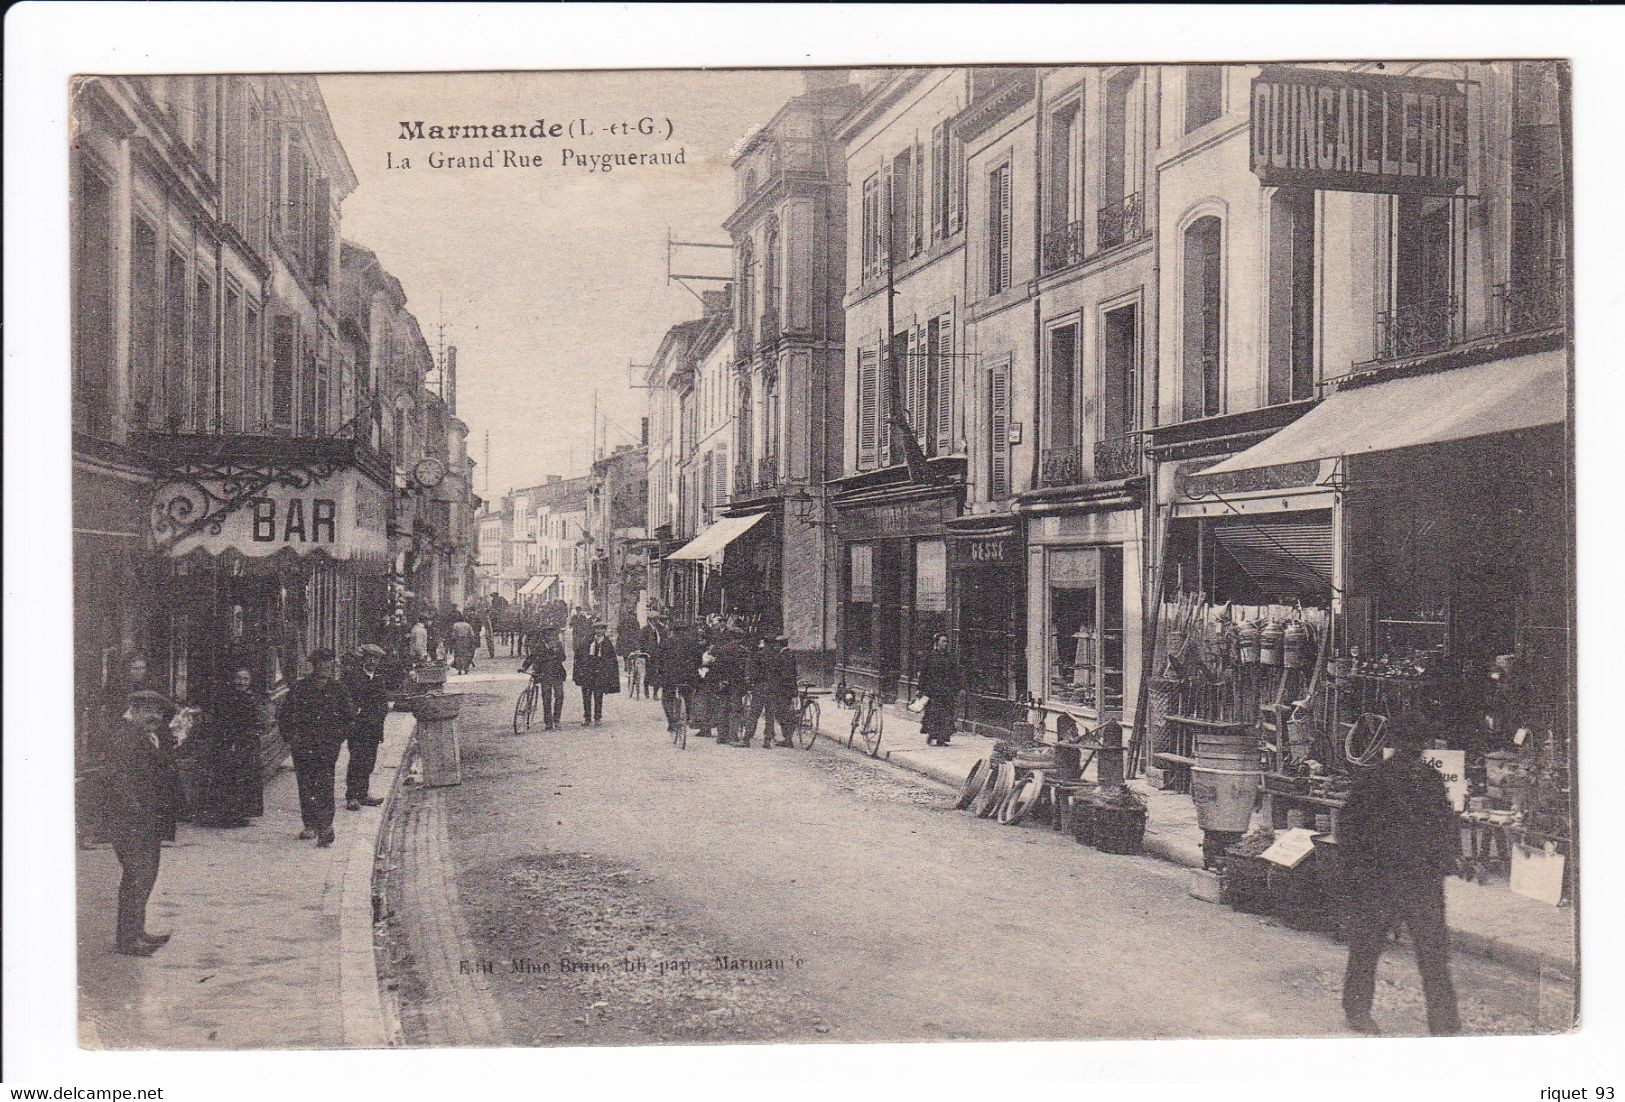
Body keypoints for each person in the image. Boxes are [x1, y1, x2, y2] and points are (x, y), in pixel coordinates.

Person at [1338, 723, 1463, 1037]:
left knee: (1375, 948)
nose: (1413, 749)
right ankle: (1442, 1025)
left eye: (1415, 743)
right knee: (1423, 953)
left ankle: (1361, 1010)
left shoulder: (1383, 778)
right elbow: (1352, 830)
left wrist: (1355, 875)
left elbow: (1444, 826)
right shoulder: (1378, 780)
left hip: (1406, 879)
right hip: (1393, 878)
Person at [102, 689, 179, 955]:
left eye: (158, 712)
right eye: (149, 712)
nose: (155, 717)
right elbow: (118, 778)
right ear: (133, 711)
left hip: (148, 817)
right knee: (137, 875)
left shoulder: (148, 736)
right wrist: (133, 809)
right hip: (131, 819)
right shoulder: (124, 738)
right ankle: (128, 939)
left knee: (145, 875)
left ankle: (137, 931)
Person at [278, 649, 354, 847]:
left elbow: (348, 718)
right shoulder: (300, 688)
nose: (326, 668)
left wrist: (337, 737)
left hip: (327, 747)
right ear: (314, 665)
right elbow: (285, 716)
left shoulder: (339, 690)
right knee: (306, 783)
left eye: (330, 665)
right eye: (322, 664)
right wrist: (292, 739)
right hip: (303, 746)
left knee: (325, 784)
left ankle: (326, 825)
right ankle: (310, 824)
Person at [197, 668, 263, 826]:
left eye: (245, 679)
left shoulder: (252, 698)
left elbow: (257, 721)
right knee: (228, 777)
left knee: (246, 777)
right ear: (233, 680)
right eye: (239, 678)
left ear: (250, 681)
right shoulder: (226, 698)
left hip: (247, 743)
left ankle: (243, 813)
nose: (242, 682)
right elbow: (222, 721)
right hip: (229, 742)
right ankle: (227, 815)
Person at [344, 645, 391, 810]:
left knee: (369, 761)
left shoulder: (379, 678)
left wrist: (380, 715)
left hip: (374, 726)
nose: (373, 661)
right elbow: (348, 700)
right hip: (358, 727)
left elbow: (383, 702)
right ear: (364, 659)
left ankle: (363, 794)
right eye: (370, 658)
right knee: (357, 759)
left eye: (376, 659)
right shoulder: (354, 677)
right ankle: (352, 796)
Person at [746, 635, 799, 749]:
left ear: (764, 643)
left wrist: (752, 682)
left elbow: (753, 673)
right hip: (773, 689)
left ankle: (747, 738)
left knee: (754, 713)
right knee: (769, 715)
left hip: (760, 688)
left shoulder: (759, 655)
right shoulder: (777, 656)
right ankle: (767, 740)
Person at [653, 621, 700, 738]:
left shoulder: (665, 643)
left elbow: (658, 660)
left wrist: (659, 673)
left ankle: (672, 721)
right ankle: (688, 716)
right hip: (688, 677)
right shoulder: (692, 643)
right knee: (689, 696)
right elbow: (698, 660)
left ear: (672, 630)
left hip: (670, 677)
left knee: (667, 699)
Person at [915, 633, 963, 746]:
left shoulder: (949, 656)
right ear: (937, 642)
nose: (945, 644)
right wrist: (920, 688)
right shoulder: (930, 656)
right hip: (933, 691)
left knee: (946, 715)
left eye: (946, 641)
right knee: (934, 715)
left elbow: (955, 673)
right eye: (943, 641)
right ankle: (932, 735)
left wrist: (959, 687)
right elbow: (924, 674)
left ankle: (942, 739)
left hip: (947, 691)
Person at [707, 627, 752, 746]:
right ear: (740, 638)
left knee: (722, 709)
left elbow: (716, 667)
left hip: (724, 684)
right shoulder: (744, 651)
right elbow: (746, 669)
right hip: (737, 684)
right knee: (735, 710)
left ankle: (721, 736)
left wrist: (720, 680)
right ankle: (732, 736)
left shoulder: (722, 650)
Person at [519, 629, 569, 729]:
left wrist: (557, 652)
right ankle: (548, 722)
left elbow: (563, 658)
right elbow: (531, 658)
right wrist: (524, 667)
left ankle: (556, 720)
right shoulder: (539, 646)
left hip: (557, 675)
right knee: (547, 698)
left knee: (560, 696)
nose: (552, 642)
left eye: (554, 639)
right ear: (546, 639)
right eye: (550, 639)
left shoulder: (558, 646)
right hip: (544, 675)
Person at [573, 622, 620, 726]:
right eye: (597, 629)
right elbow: (579, 656)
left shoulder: (607, 643)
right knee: (586, 695)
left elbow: (612, 660)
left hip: (600, 673)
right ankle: (587, 717)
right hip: (588, 672)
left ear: (604, 630)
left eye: (601, 629)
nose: (599, 631)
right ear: (594, 630)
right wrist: (580, 671)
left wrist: (608, 674)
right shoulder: (587, 641)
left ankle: (597, 717)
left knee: (598, 695)